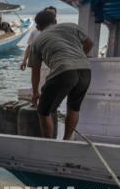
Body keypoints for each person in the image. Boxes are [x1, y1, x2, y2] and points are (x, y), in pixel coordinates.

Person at [28, 10, 93, 140]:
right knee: (74, 108)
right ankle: (67, 140)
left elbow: (35, 71)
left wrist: (35, 92)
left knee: (44, 111)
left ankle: (49, 143)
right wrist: (80, 57)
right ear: (55, 21)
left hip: (64, 71)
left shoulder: (36, 41)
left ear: (38, 26)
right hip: (85, 70)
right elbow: (89, 43)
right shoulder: (71, 26)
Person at [20, 6, 57, 71]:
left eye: (53, 14)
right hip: (39, 63)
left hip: (53, 64)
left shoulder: (59, 30)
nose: (51, 16)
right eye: (49, 13)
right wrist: (24, 61)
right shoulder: (35, 32)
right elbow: (29, 47)